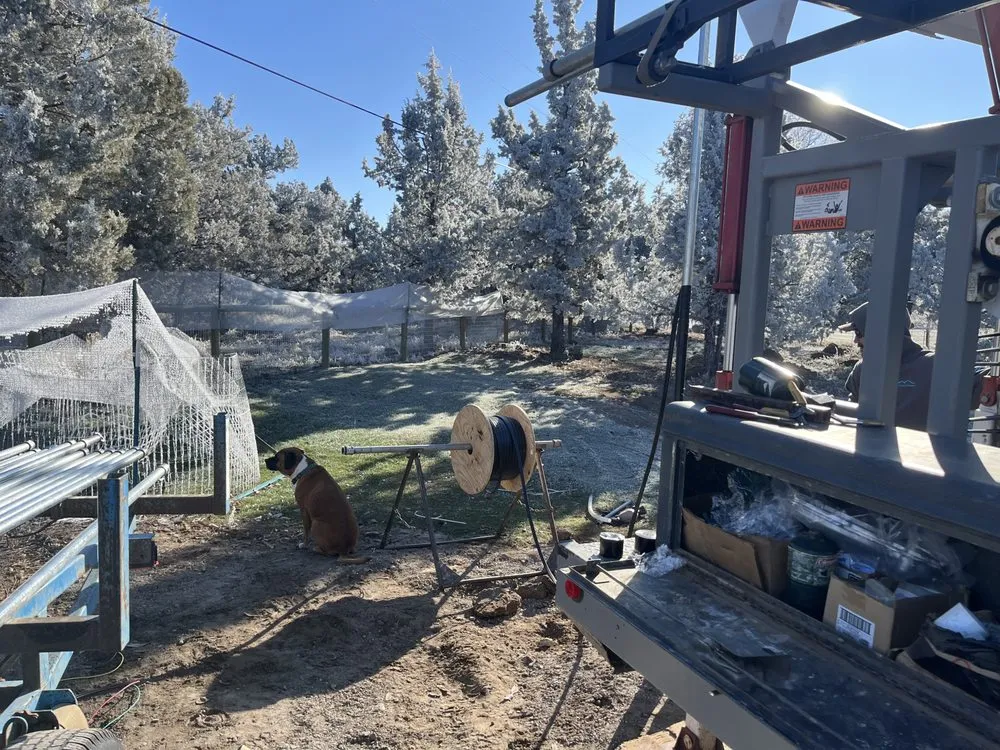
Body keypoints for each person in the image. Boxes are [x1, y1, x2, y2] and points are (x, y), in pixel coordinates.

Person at [837, 302, 934, 430]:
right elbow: (852, 417)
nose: (855, 340)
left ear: (877, 332)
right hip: (869, 448)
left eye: (859, 333)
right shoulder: (862, 369)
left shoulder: (934, 366)